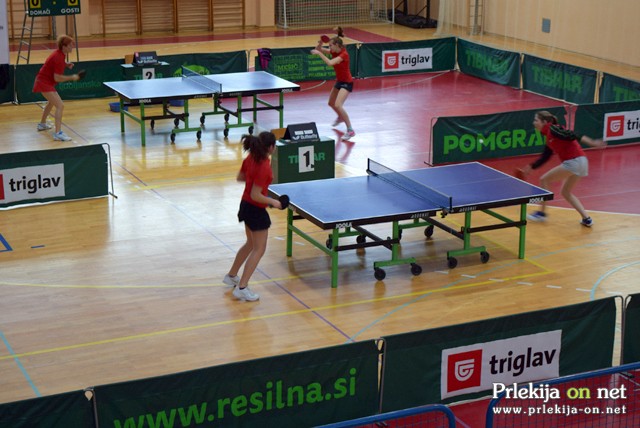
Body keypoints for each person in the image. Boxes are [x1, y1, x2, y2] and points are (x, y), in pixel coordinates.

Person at [223, 131, 282, 302]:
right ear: (271, 147)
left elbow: (240, 177)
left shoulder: (251, 158)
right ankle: (242, 287)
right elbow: (256, 195)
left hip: (245, 205)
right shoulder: (264, 166)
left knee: (250, 243)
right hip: (255, 210)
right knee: (259, 249)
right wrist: (274, 202)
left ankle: (231, 276)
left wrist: (254, 180)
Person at [520, 110, 606, 227]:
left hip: (574, 162)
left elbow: (572, 134)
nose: (534, 122)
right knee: (566, 192)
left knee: (544, 180)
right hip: (582, 162)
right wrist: (531, 166)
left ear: (544, 122)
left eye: (536, 120)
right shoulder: (548, 135)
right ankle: (586, 218)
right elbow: (546, 156)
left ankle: (541, 214)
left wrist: (592, 142)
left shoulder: (553, 129)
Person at [32, 35, 81, 142]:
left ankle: (42, 124)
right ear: (64, 46)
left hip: (44, 81)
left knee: (52, 102)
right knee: (60, 105)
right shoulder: (58, 57)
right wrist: (72, 77)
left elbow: (56, 64)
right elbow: (57, 78)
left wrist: (65, 64)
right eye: (70, 45)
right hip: (43, 82)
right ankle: (58, 133)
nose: (72, 47)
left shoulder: (60, 54)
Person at [310, 26, 355, 141]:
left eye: (330, 45)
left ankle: (350, 130)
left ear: (337, 45)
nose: (329, 47)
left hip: (347, 82)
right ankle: (340, 117)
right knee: (331, 103)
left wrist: (319, 53)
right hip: (339, 81)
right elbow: (319, 49)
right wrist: (320, 44)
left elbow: (330, 63)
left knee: (338, 105)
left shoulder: (343, 55)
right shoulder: (334, 51)